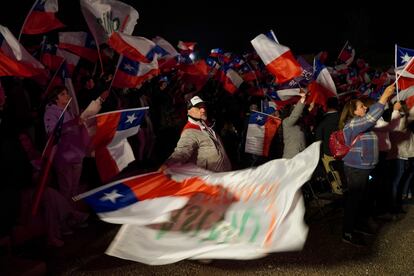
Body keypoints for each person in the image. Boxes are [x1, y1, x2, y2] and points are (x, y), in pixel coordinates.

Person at [338, 83, 395, 247]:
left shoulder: (363, 123)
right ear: (354, 111)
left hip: (365, 168)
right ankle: (347, 233)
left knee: (362, 199)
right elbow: (371, 117)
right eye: (362, 107)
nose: (365, 108)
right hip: (356, 169)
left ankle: (358, 225)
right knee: (354, 201)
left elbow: (372, 119)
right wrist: (384, 97)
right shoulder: (353, 124)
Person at [160, 95, 231, 172]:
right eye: (198, 107)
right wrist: (166, 166)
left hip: (223, 178)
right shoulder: (189, 132)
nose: (203, 110)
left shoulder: (207, 126)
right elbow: (181, 153)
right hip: (209, 180)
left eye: (204, 106)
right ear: (189, 111)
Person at [43, 85, 88, 203]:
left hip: (76, 154)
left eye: (67, 93)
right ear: (55, 98)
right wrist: (73, 123)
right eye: (62, 94)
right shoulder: (50, 113)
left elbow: (76, 131)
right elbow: (52, 132)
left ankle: (72, 215)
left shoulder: (69, 111)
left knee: (74, 188)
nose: (67, 96)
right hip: (63, 156)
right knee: (66, 189)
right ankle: (65, 217)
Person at [314, 97, 343, 194]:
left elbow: (318, 138)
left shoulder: (322, 120)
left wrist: (320, 153)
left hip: (328, 152)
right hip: (344, 150)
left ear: (326, 106)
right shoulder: (342, 117)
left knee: (332, 172)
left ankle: (337, 190)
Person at [281, 89, 308, 159]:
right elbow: (295, 114)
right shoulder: (286, 122)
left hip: (301, 159)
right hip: (291, 158)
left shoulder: (301, 124)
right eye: (294, 108)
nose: (300, 112)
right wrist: (302, 99)